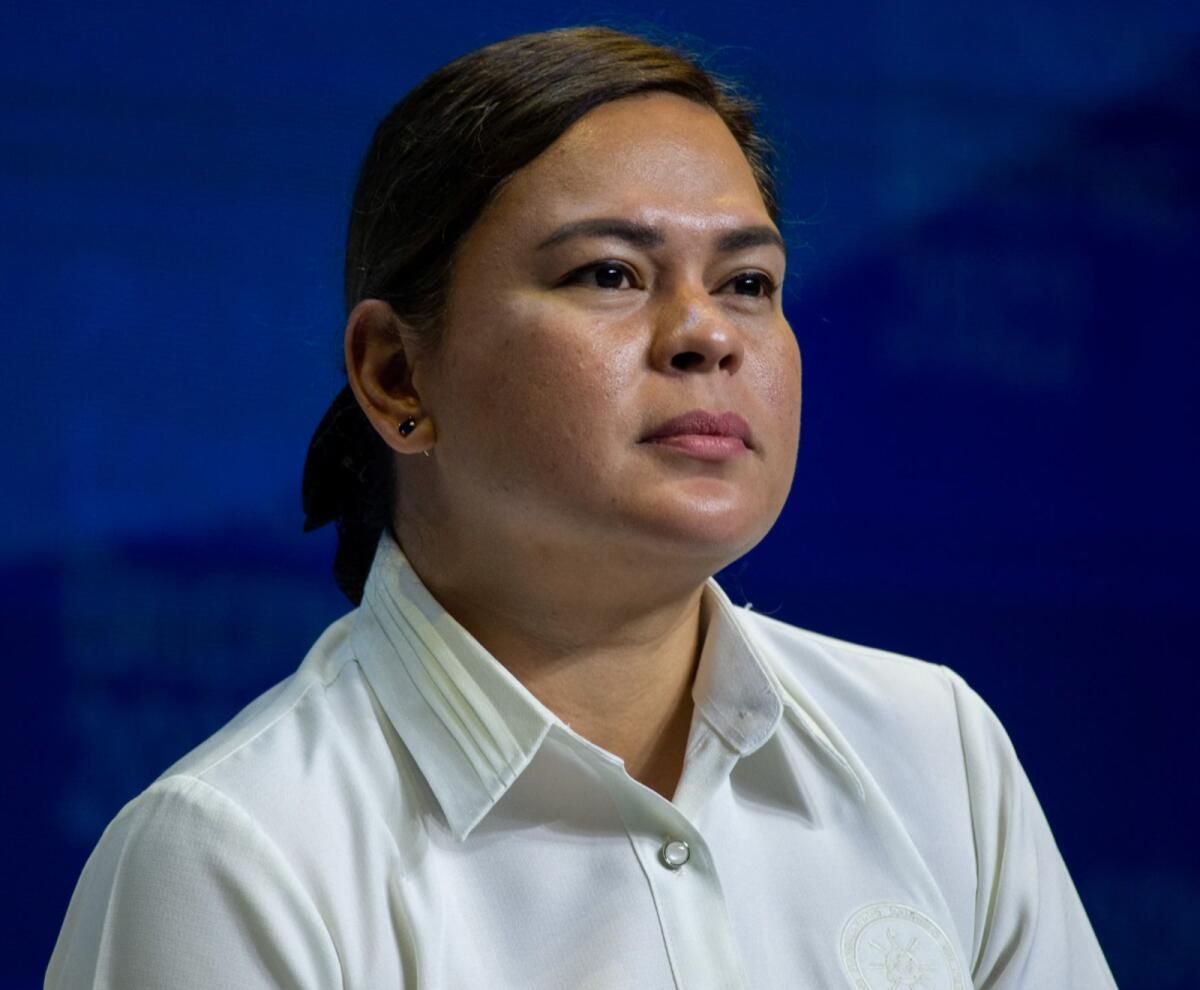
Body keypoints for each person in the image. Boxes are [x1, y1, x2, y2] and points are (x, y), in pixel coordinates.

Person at [46, 25, 1116, 989]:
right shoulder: (239, 857)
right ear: (395, 376)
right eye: (610, 274)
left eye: (748, 282)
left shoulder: (935, 752)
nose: (708, 334)